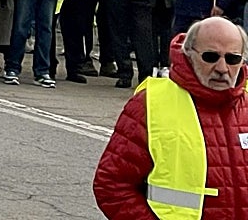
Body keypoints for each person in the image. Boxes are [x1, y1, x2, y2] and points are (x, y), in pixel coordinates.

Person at [93, 17, 248, 218]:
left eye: (232, 59)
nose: (222, 68)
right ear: (189, 55)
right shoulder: (152, 103)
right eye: (210, 57)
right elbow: (112, 185)